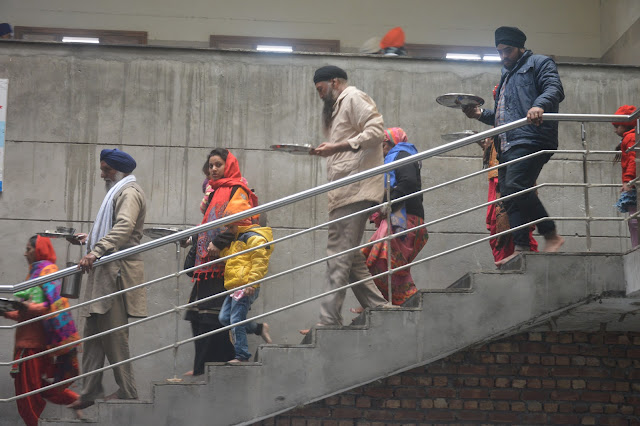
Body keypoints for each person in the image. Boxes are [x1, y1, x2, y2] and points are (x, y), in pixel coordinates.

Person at [462, 26, 565, 266]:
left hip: (531, 137)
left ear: (520, 47)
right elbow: (505, 116)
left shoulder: (539, 63)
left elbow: (554, 89)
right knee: (509, 196)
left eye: (507, 50)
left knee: (518, 185)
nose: (504, 56)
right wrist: (480, 114)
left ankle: (551, 234)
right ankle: (520, 247)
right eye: (499, 52)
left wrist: (539, 105)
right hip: (508, 142)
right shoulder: (507, 74)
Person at [308, 65, 391, 329]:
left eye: (321, 89)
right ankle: (379, 306)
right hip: (345, 191)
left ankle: (329, 319)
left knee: (338, 253)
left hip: (355, 190)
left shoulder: (353, 97)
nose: (320, 96)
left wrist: (339, 146)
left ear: (334, 82)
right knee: (351, 256)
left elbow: (378, 132)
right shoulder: (339, 106)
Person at [68, 148, 147, 409]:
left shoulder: (129, 193)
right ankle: (90, 391)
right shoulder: (118, 192)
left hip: (117, 273)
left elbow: (124, 227)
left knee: (114, 336)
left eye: (106, 170)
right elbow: (113, 227)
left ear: (120, 171)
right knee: (92, 334)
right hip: (104, 272)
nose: (102, 174)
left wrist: (97, 249)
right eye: (102, 169)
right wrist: (90, 239)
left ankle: (128, 391)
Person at [186, 148, 261, 375]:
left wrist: (219, 242)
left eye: (218, 164)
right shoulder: (215, 193)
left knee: (213, 320)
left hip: (224, 266)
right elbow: (207, 225)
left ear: (228, 165)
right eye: (210, 166)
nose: (213, 169)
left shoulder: (237, 190)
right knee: (197, 317)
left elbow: (241, 222)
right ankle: (201, 368)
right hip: (207, 267)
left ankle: (209, 371)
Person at [3, 235, 80, 426]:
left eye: (29, 248)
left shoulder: (46, 272)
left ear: (39, 250)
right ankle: (75, 400)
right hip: (32, 345)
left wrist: (23, 308)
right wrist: (8, 311)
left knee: (26, 397)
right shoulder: (38, 273)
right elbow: (33, 310)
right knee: (37, 390)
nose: (25, 252)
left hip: (31, 348)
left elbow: (48, 307)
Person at [360, 127, 428, 306]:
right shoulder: (398, 157)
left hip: (403, 218)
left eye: (381, 144)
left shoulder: (402, 155)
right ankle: (382, 303)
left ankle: (407, 302)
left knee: (384, 263)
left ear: (388, 143)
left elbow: (408, 182)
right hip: (402, 217)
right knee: (380, 263)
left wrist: (389, 203)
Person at [218, 222, 274, 363]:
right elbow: (233, 258)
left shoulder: (253, 237)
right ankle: (259, 328)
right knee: (225, 318)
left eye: (231, 227)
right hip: (235, 287)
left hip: (245, 286)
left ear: (241, 223)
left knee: (236, 321)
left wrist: (252, 283)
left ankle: (242, 355)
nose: (229, 230)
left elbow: (259, 262)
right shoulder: (238, 238)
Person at [612, 105, 638, 248]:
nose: (615, 130)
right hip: (634, 182)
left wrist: (628, 180)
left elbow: (634, 159)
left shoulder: (631, 138)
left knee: (634, 219)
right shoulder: (631, 137)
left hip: (634, 184)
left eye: (617, 125)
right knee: (633, 218)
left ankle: (636, 247)